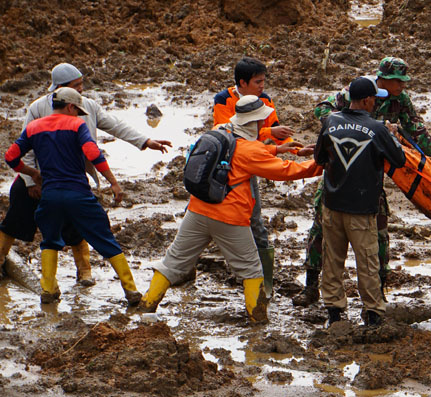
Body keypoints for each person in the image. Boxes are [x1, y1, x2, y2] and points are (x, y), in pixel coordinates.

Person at [292, 56, 431, 307]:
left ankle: (378, 291)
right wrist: (363, 126)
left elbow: (417, 132)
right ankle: (311, 286)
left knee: (380, 232)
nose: (403, 86)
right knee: (320, 227)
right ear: (382, 80)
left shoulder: (400, 101)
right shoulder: (357, 91)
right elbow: (321, 110)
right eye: (398, 81)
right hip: (339, 170)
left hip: (369, 177)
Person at [139, 95, 322, 322]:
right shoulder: (250, 152)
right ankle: (257, 322)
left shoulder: (220, 130)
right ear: (252, 123)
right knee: (252, 270)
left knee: (173, 262)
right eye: (260, 122)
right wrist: (319, 164)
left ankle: (146, 307)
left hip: (197, 210)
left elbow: (245, 151)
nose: (263, 126)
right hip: (229, 218)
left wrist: (279, 149)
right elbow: (287, 172)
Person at [0, 62, 170, 284]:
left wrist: (146, 141)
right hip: (40, 177)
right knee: (16, 219)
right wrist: (31, 179)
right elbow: (25, 149)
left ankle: (83, 272)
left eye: (81, 84)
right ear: (60, 89)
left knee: (74, 226)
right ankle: (2, 257)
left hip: (71, 176)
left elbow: (116, 125)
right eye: (76, 85)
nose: (81, 89)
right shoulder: (38, 108)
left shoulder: (87, 106)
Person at [4, 87, 142, 305]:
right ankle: (131, 290)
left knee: (49, 241)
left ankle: (48, 290)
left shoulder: (33, 128)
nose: (79, 115)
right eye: (77, 110)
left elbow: (10, 156)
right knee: (105, 239)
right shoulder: (77, 125)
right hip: (78, 194)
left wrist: (32, 173)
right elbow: (92, 152)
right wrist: (113, 182)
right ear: (70, 107)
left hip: (49, 196)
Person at [313, 77, 406, 326]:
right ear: (366, 100)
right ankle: (373, 314)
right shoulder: (377, 128)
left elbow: (319, 156)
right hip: (361, 208)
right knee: (367, 262)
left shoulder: (330, 120)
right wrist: (393, 135)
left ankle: (334, 313)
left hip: (332, 204)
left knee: (332, 259)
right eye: (375, 99)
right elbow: (399, 160)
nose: (376, 103)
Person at [213, 56, 298, 297]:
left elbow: (280, 132)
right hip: (226, 166)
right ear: (242, 83)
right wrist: (269, 132)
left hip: (250, 161)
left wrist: (293, 146)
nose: (262, 86)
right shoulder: (224, 100)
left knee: (255, 221)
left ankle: (265, 285)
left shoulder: (265, 100)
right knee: (208, 218)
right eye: (258, 82)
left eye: (263, 81)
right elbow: (226, 131)